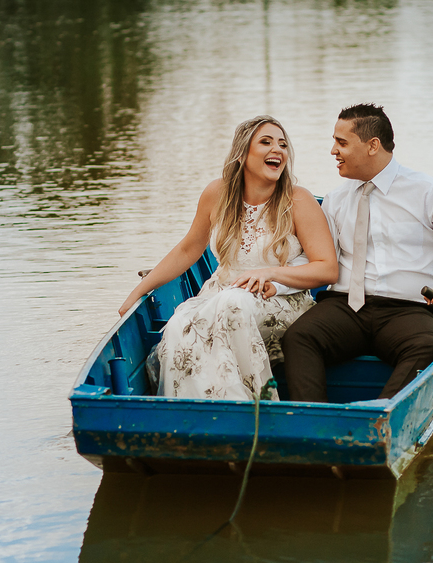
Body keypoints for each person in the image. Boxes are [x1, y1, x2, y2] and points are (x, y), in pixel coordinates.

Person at [118, 116, 337, 400]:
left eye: (283, 145)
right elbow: (187, 249)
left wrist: (271, 273)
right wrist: (137, 292)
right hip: (220, 292)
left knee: (234, 305)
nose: (278, 150)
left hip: (280, 299)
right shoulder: (217, 194)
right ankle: (196, 413)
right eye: (266, 142)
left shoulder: (297, 200)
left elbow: (327, 269)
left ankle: (256, 406)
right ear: (243, 153)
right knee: (177, 327)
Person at [281, 104, 433, 402]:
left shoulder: (429, 191)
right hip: (345, 306)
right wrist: (274, 278)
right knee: (299, 337)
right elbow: (318, 258)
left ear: (372, 146)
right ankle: (313, 421)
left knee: (427, 346)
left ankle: (381, 418)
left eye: (341, 143)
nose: (332, 151)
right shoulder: (336, 199)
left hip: (407, 308)